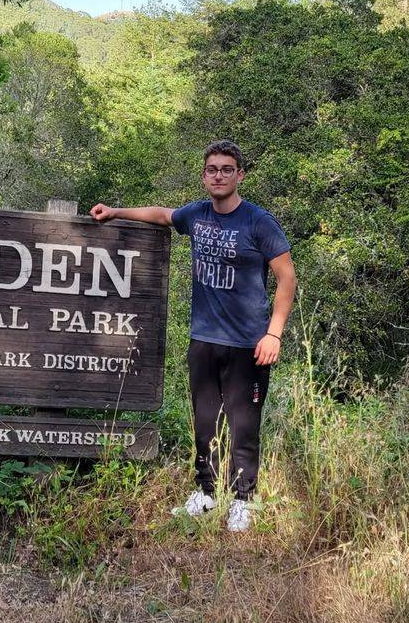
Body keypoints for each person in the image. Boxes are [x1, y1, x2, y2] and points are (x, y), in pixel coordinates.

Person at [90, 139, 297, 532]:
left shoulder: (258, 221)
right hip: (204, 338)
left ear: (240, 175)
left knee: (243, 423)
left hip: (248, 343)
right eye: (212, 169)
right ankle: (205, 492)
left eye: (226, 169)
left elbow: (287, 277)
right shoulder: (198, 215)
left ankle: (243, 500)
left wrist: (274, 334)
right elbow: (164, 215)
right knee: (205, 420)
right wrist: (116, 212)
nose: (218, 175)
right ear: (204, 176)